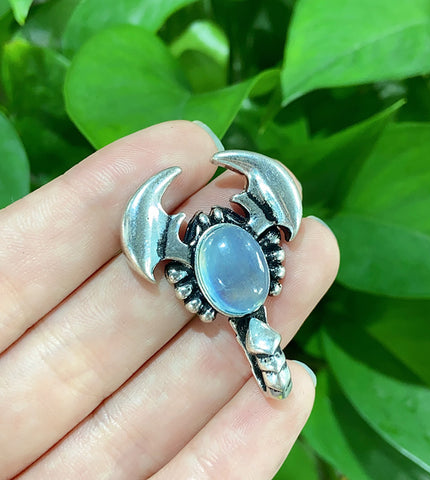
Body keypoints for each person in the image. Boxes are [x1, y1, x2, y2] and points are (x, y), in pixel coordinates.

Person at [0, 121, 339, 479]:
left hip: (242, 288)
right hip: (223, 288)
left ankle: (272, 378)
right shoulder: (195, 246)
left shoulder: (201, 245)